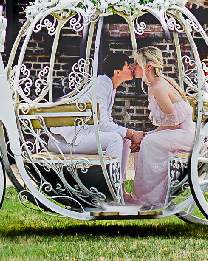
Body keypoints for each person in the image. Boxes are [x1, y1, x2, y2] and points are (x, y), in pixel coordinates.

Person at [47, 51, 143, 197]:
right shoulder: (101, 86)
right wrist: (131, 133)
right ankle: (110, 193)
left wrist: (128, 135)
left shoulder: (109, 86)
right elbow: (103, 125)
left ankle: (120, 190)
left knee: (122, 139)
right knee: (115, 139)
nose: (131, 69)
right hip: (64, 141)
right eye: (128, 66)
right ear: (117, 72)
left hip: (82, 136)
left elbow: (106, 121)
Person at [130, 45, 196, 208]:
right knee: (148, 140)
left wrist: (149, 135)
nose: (133, 67)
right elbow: (168, 124)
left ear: (148, 66)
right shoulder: (152, 85)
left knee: (149, 142)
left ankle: (153, 197)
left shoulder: (159, 86)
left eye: (136, 64)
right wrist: (149, 133)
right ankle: (144, 195)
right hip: (177, 130)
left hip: (184, 133)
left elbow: (173, 124)